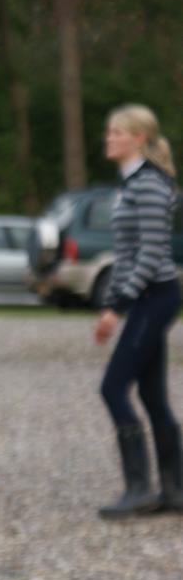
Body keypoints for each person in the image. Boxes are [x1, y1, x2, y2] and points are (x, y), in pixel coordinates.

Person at [94, 103, 182, 518]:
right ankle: (175, 490)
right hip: (145, 297)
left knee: (113, 388)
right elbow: (125, 253)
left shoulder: (147, 184)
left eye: (117, 133)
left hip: (156, 297)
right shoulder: (129, 183)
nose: (108, 138)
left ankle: (140, 488)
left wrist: (119, 306)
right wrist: (112, 300)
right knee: (151, 395)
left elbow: (150, 254)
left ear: (138, 139)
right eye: (108, 132)